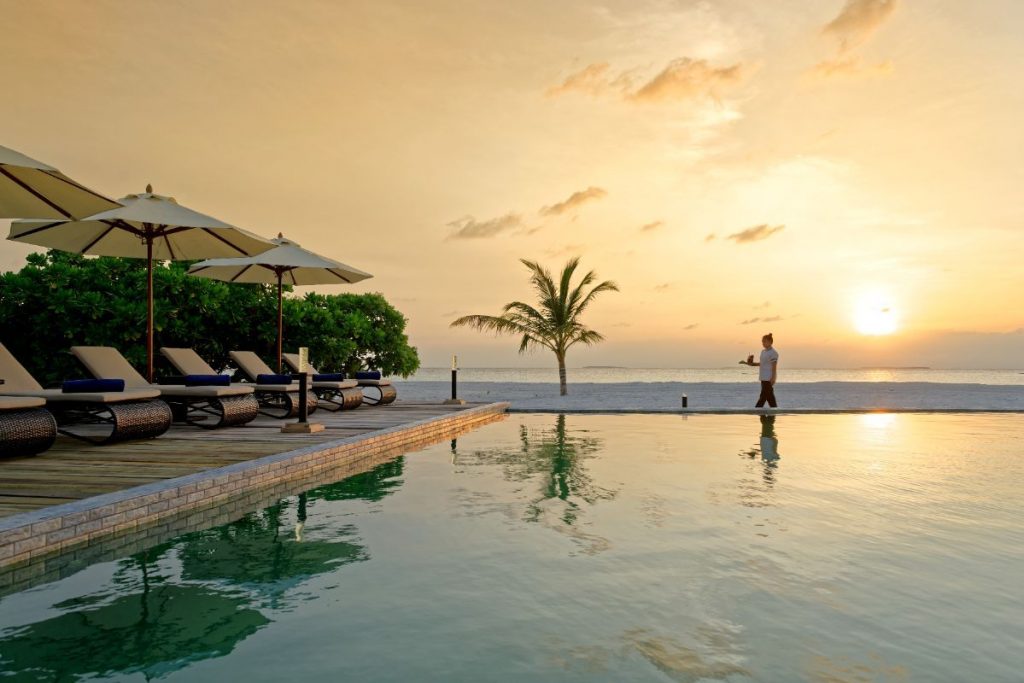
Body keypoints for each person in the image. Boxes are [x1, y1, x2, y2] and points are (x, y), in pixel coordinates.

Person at [740, 333, 779, 408]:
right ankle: (772, 415)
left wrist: (773, 378)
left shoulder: (773, 353)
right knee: (769, 398)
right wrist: (750, 363)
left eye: (764, 341)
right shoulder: (763, 352)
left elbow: (774, 366)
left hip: (768, 378)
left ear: (770, 342)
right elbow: (762, 364)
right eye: (762, 341)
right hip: (763, 377)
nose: (763, 343)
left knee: (763, 398)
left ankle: (757, 411)